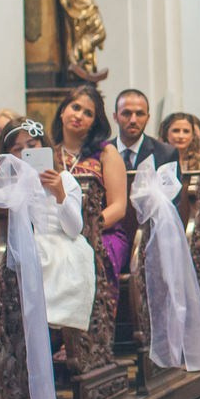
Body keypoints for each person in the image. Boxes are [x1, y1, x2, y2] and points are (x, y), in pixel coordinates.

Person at [0, 118, 96, 333]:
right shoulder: (9, 186)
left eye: (32, 146)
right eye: (18, 149)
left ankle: (54, 330)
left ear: (44, 146)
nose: (26, 152)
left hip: (61, 243)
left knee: (50, 264)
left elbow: (74, 229)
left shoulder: (65, 179)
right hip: (23, 246)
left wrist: (59, 193)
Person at [49, 85, 132, 276]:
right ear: (63, 111)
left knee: (86, 254)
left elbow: (118, 207)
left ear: (95, 122)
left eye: (88, 113)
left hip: (103, 233)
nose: (79, 116)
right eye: (75, 108)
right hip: (58, 232)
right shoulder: (49, 154)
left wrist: (87, 228)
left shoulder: (106, 153)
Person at [109, 89, 180, 172]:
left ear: (148, 118)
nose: (133, 120)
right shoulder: (100, 152)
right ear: (115, 117)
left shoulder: (166, 153)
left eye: (139, 114)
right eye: (126, 113)